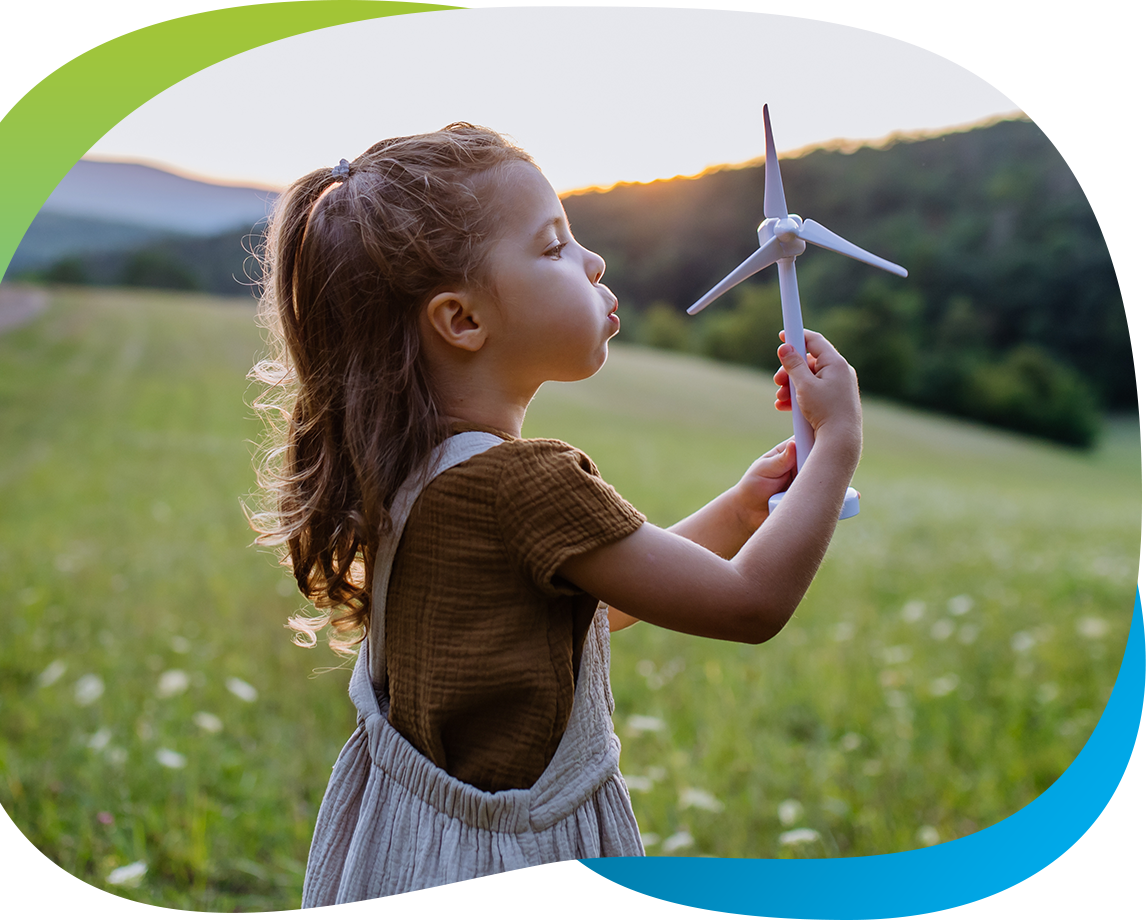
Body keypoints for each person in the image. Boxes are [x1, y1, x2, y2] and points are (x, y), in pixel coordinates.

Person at [249, 123, 862, 920]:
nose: (594, 261)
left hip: (413, 862)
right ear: (461, 320)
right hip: (506, 882)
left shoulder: (413, 468)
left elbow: (582, 612)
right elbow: (748, 606)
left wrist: (746, 509)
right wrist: (837, 447)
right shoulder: (525, 481)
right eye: (554, 247)